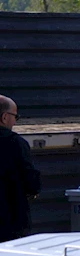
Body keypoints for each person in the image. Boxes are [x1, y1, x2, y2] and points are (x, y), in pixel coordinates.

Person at [0, 95, 40, 242]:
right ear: (4, 117)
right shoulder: (16, 143)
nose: (15, 121)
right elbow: (30, 181)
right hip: (11, 223)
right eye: (15, 116)